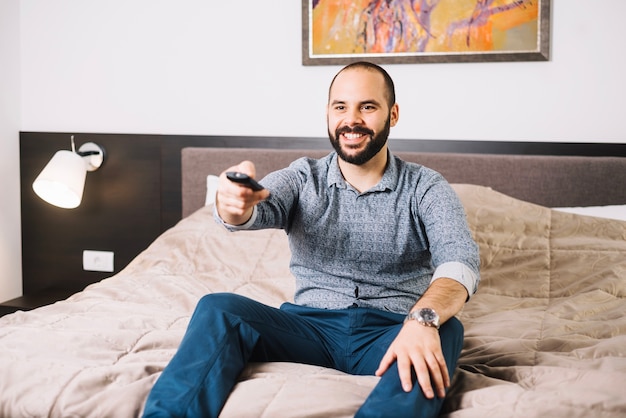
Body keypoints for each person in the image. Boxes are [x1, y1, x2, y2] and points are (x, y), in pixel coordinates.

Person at [142, 61, 480, 418]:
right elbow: (259, 207)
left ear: (392, 115)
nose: (352, 120)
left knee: (445, 329)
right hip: (309, 329)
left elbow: (459, 262)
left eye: (367, 106)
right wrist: (233, 206)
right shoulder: (304, 177)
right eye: (340, 107)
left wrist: (421, 321)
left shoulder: (427, 188)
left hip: (391, 332)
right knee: (219, 308)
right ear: (328, 114)